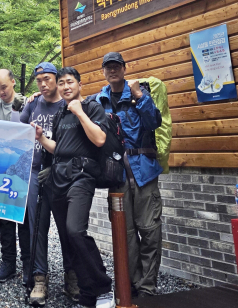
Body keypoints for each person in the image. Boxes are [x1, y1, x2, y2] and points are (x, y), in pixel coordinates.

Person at [33, 67, 115, 308]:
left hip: (81, 178)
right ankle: (87, 294)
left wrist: (79, 112)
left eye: (69, 82)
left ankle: (103, 288)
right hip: (58, 179)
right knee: (68, 238)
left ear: (80, 84)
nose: (65, 87)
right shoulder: (60, 114)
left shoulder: (91, 107)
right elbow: (58, 148)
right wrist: (41, 138)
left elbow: (99, 139)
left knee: (76, 231)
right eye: (61, 83)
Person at [94, 52, 162, 298]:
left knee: (150, 229)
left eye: (116, 66)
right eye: (108, 67)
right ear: (103, 71)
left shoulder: (139, 94)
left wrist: (140, 97)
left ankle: (147, 286)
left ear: (124, 68)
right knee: (125, 232)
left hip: (144, 171)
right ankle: (131, 282)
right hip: (116, 175)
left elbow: (154, 122)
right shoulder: (98, 100)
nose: (112, 70)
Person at [20, 62, 78, 306]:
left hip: (61, 175)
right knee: (37, 227)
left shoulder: (67, 105)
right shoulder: (33, 104)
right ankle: (39, 278)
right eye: (39, 80)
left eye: (47, 79)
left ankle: (71, 276)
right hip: (35, 173)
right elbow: (19, 131)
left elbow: (76, 143)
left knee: (67, 228)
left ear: (57, 78)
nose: (43, 84)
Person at [0, 69, 30, 284]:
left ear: (13, 82)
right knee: (5, 218)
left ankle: (28, 264)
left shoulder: (27, 104)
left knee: (25, 220)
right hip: (2, 170)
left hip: (24, 169)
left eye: (4, 87)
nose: (1, 91)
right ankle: (8, 262)